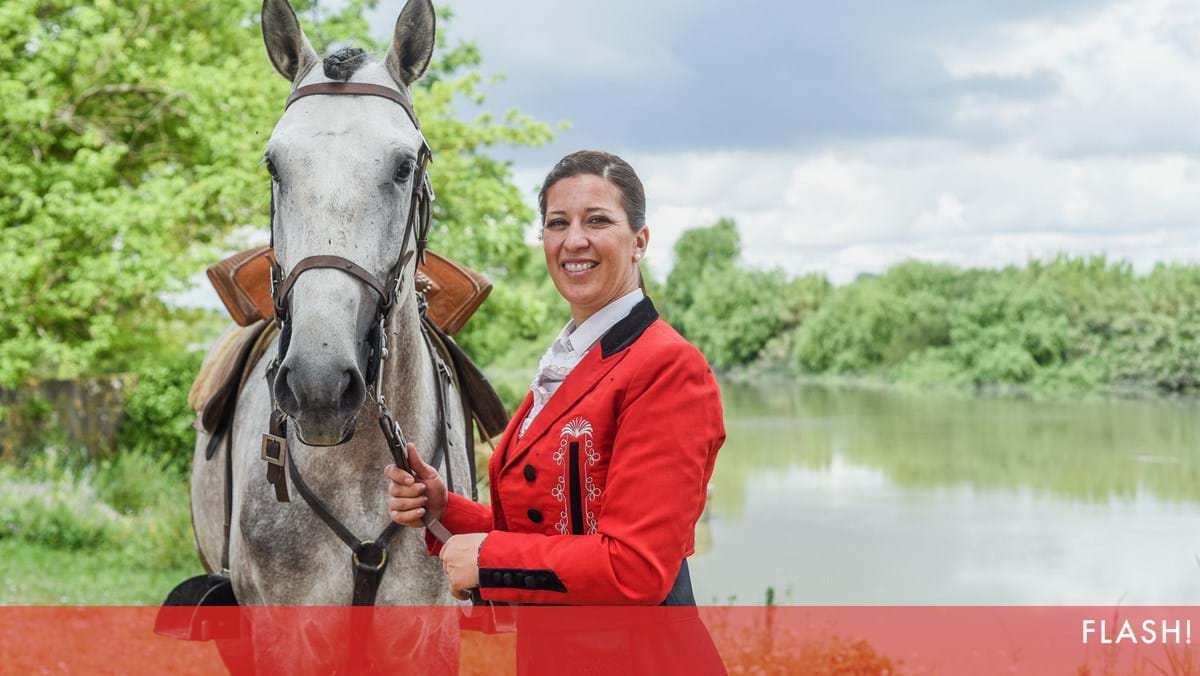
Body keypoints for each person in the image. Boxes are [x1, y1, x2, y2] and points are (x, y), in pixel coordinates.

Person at [385, 150, 727, 671]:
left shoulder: (668, 368)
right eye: (557, 223)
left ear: (639, 241)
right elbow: (553, 530)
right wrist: (442, 508)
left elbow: (635, 567)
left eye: (598, 221)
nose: (574, 241)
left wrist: (488, 561)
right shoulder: (569, 361)